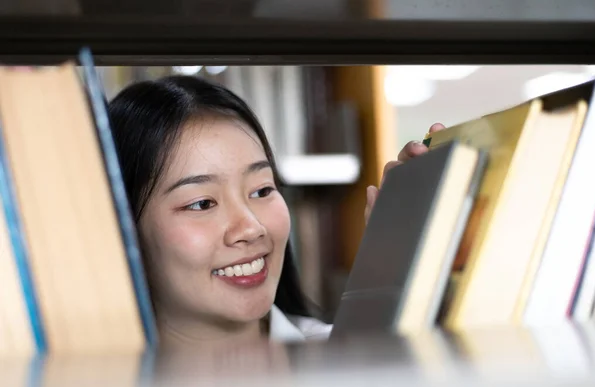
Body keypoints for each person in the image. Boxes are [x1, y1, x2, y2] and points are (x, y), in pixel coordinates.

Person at [107, 75, 445, 349]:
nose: (251, 228)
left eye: (262, 190)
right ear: (123, 228)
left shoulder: (358, 360)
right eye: (201, 203)